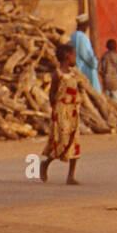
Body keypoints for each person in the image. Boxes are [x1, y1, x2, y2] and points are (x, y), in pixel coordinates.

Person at [41, 42, 81, 185]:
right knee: (62, 141)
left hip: (73, 111)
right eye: (74, 56)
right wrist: (56, 110)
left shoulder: (74, 74)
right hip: (61, 111)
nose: (75, 59)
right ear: (66, 57)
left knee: (74, 141)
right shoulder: (58, 75)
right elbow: (52, 93)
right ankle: (46, 163)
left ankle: (70, 176)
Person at [70, 14, 100, 91]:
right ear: (84, 25)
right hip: (86, 70)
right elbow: (87, 55)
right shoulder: (82, 37)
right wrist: (94, 62)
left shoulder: (74, 35)